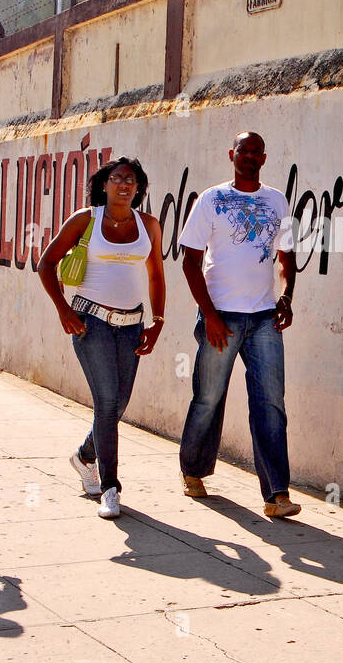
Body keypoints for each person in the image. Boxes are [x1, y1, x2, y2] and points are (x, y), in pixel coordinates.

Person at [178, 131, 300, 517]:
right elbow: (190, 262)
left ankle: (276, 493)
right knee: (209, 398)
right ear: (232, 154)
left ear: (264, 159)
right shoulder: (211, 199)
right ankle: (193, 470)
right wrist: (210, 315)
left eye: (256, 152)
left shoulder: (277, 199)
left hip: (264, 318)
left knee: (271, 404)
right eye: (242, 151)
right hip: (222, 317)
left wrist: (286, 297)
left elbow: (287, 256)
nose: (249, 157)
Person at [38, 158, 166, 519]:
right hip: (90, 322)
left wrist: (157, 321)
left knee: (118, 405)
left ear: (139, 187)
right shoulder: (85, 219)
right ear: (104, 185)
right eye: (116, 179)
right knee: (107, 402)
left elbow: (156, 276)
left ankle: (84, 456)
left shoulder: (149, 225)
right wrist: (63, 309)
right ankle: (110, 488)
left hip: (132, 325)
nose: (124, 184)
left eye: (131, 179)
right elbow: (46, 264)